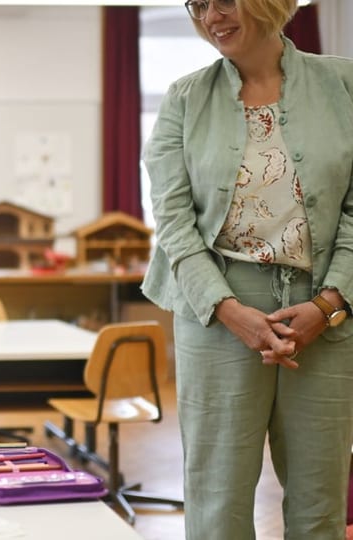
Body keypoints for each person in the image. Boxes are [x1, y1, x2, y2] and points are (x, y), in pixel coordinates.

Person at [142, 0, 353, 538]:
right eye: (198, 4)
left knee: (320, 504)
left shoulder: (344, 85)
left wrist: (328, 305)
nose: (212, 15)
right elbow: (173, 223)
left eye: (225, 0)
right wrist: (227, 310)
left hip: (327, 311)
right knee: (217, 501)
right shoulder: (184, 99)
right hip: (215, 313)